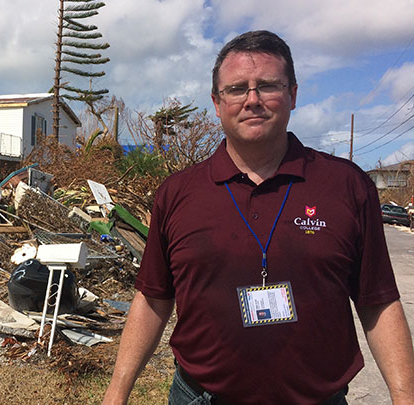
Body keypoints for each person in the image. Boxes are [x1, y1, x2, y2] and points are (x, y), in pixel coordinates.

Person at [103, 30, 414, 404]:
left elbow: (377, 300)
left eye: (267, 85)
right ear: (217, 103)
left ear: (293, 94)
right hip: (202, 397)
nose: (252, 100)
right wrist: (117, 392)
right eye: (236, 89)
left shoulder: (346, 185)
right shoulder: (178, 193)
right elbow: (153, 298)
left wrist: (404, 395)